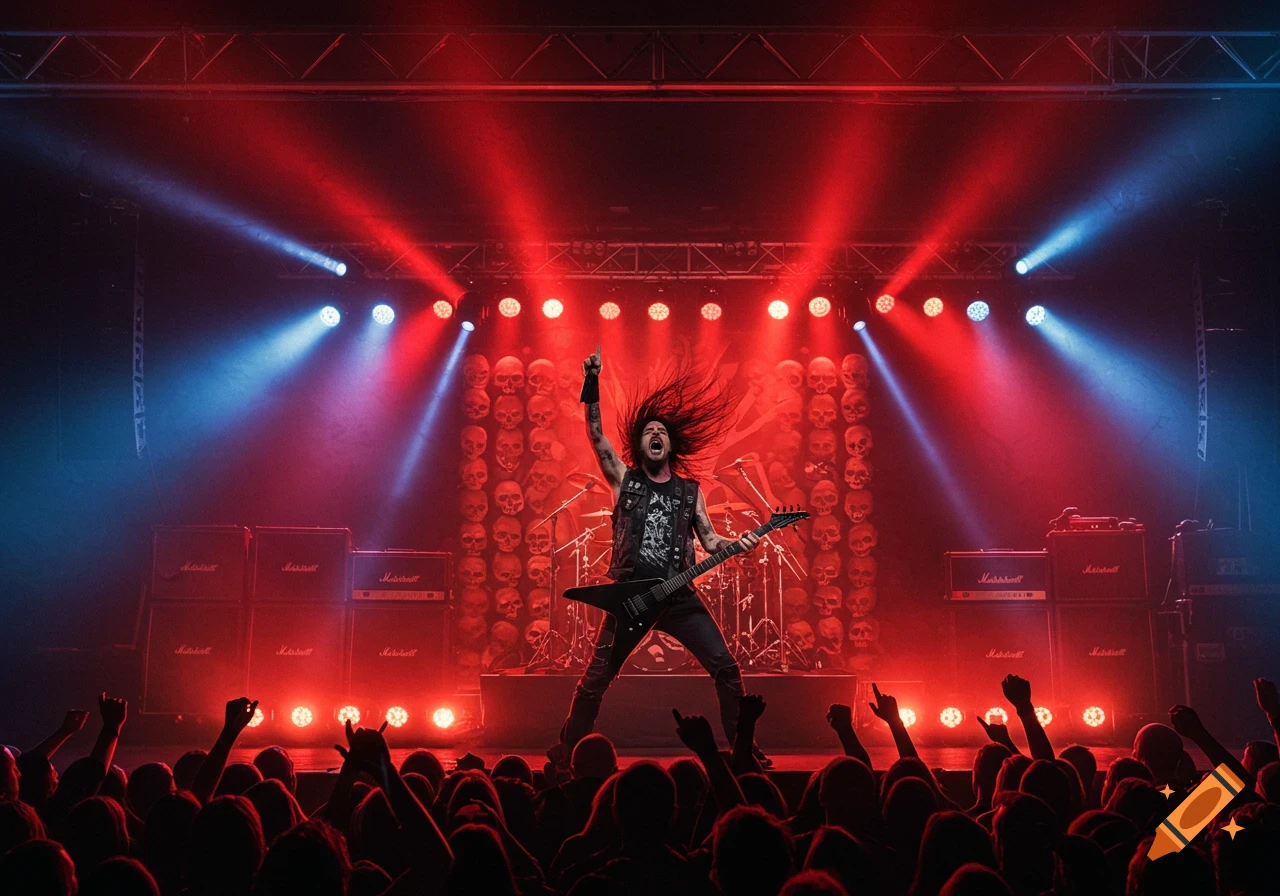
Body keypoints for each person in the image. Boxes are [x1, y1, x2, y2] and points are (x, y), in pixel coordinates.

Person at [556, 347, 763, 766]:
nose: (655, 435)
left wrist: (737, 544)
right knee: (595, 680)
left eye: (662, 432)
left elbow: (709, 541)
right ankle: (565, 751)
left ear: (670, 444)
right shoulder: (624, 480)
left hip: (680, 597)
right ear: (641, 442)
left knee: (725, 667)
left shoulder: (690, 491)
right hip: (631, 596)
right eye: (649, 430)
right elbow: (596, 435)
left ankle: (745, 750)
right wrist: (592, 381)